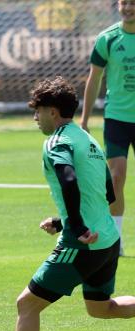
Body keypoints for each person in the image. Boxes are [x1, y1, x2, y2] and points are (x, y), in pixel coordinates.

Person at [0, 76, 135, 331]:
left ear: (52, 111)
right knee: (101, 308)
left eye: (38, 111)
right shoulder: (88, 140)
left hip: (84, 242)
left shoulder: (58, 141)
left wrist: (74, 227)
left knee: (27, 304)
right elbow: (106, 190)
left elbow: (68, 176)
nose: (35, 117)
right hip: (107, 239)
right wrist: (63, 221)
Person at [80, 0, 135, 256]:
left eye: (133, 3)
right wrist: (84, 120)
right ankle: (117, 240)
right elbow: (94, 79)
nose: (128, 8)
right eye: (125, 3)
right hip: (117, 119)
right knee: (116, 177)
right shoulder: (108, 38)